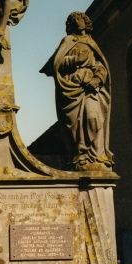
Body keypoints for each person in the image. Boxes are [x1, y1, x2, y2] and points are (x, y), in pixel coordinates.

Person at [42, 12, 114, 171]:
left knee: (93, 118)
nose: (77, 21)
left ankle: (97, 156)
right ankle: (81, 155)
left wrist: (97, 80)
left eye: (79, 18)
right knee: (77, 125)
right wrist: (76, 60)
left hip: (91, 87)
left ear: (86, 21)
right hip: (75, 87)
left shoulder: (91, 43)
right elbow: (57, 64)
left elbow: (101, 66)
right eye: (73, 20)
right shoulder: (68, 41)